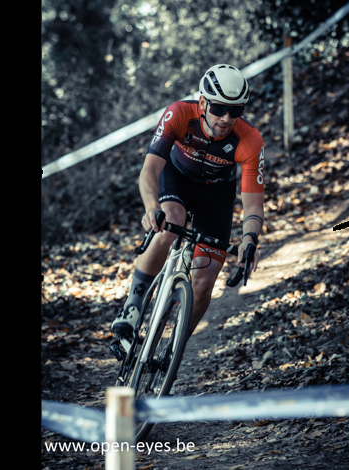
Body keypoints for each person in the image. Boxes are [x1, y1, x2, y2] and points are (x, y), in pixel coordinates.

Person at [112, 63, 265, 344]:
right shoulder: (179, 113)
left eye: (235, 110)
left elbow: (253, 205)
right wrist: (151, 207)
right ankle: (133, 305)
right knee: (171, 220)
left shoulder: (250, 140)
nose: (226, 118)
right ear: (203, 103)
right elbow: (150, 169)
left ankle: (173, 350)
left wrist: (249, 238)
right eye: (219, 108)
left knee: (205, 280)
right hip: (177, 177)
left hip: (216, 193)